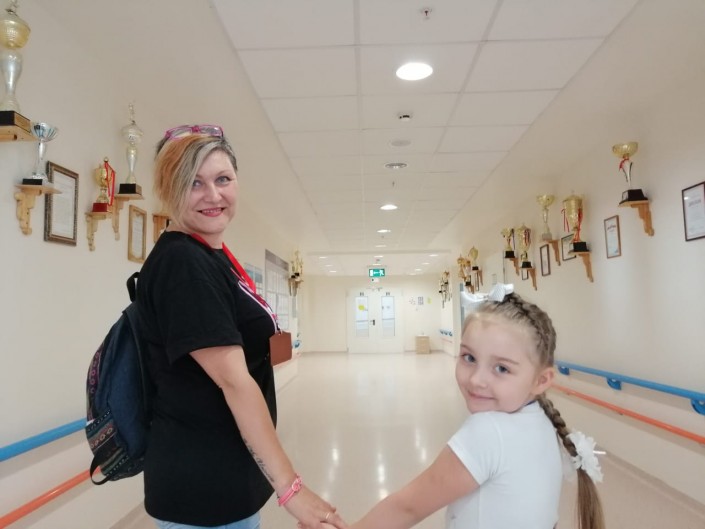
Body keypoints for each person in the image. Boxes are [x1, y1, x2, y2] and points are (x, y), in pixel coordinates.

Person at [136, 124, 344, 529]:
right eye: (193, 183)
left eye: (223, 179)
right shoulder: (184, 264)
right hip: (201, 488)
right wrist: (292, 490)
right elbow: (234, 381)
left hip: (225, 477)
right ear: (168, 189)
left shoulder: (208, 256)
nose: (213, 195)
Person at [340, 284, 605, 529]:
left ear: (541, 380)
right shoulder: (543, 421)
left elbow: (408, 507)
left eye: (502, 368)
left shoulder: (487, 431)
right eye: (469, 357)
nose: (477, 379)